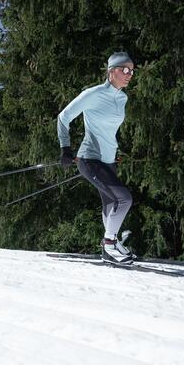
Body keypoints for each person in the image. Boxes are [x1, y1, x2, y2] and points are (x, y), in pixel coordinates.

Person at [57, 52, 135, 264]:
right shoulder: (93, 94)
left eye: (132, 71)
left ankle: (112, 244)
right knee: (124, 198)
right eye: (124, 70)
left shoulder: (123, 98)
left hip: (108, 161)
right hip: (89, 159)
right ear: (111, 72)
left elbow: (108, 130)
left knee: (111, 204)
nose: (129, 74)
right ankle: (108, 245)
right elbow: (63, 117)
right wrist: (65, 148)